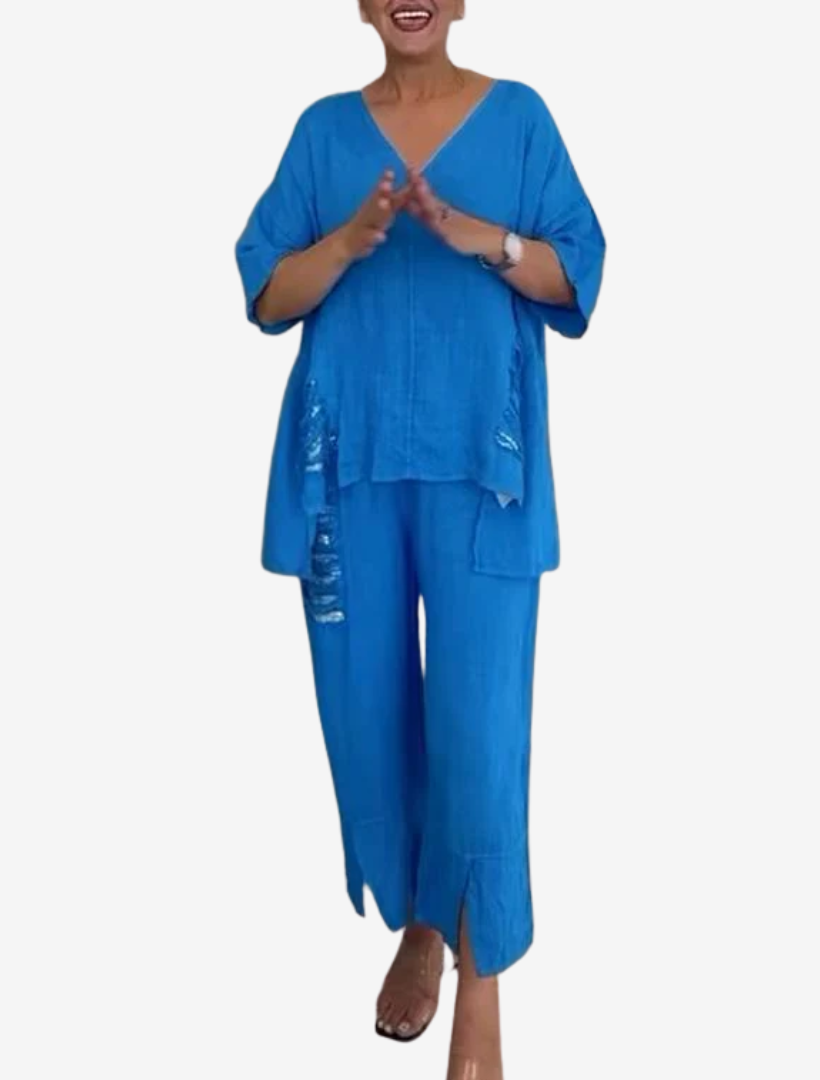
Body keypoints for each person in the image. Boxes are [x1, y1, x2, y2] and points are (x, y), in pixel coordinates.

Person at [235, 2, 604, 1076]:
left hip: (484, 471)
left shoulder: (519, 118)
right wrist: (348, 241)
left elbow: (578, 274)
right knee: (369, 720)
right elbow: (265, 291)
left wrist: (487, 239)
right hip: (349, 468)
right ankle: (421, 919)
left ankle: (481, 979)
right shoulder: (323, 132)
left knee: (479, 730)